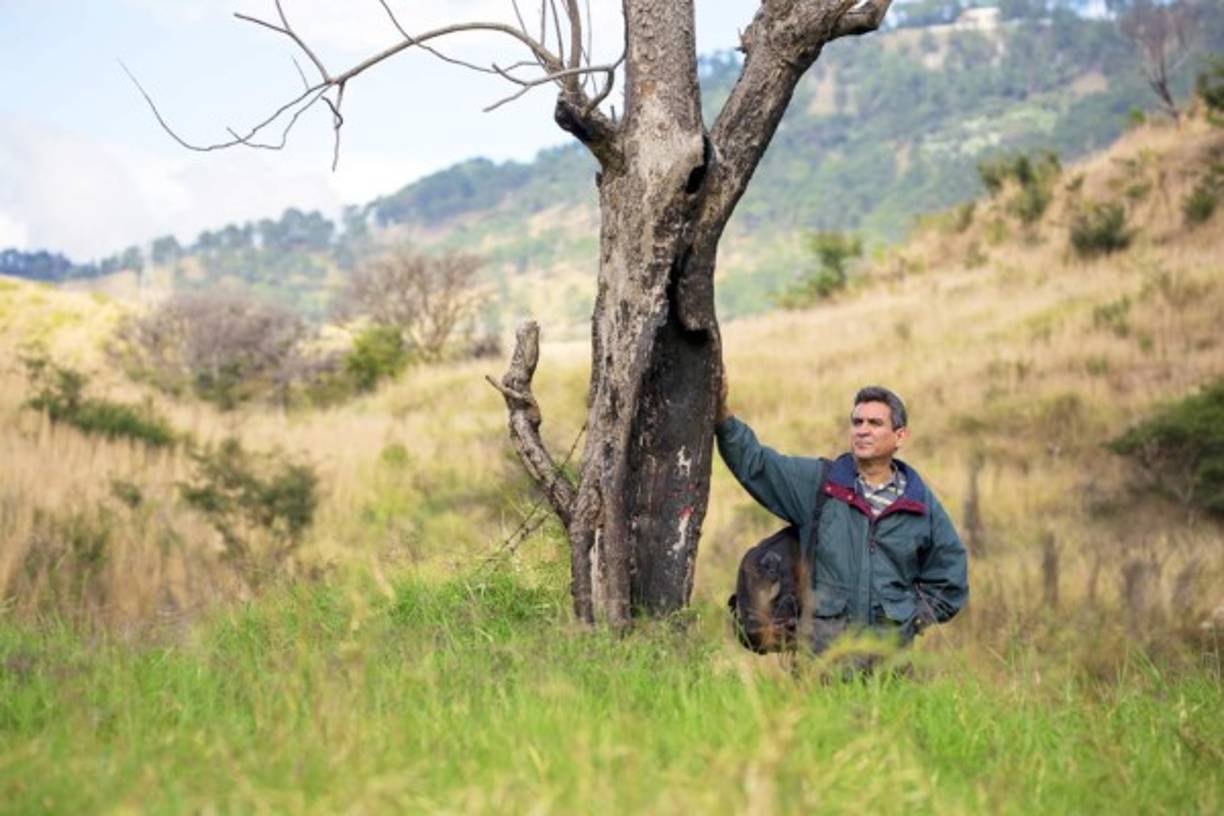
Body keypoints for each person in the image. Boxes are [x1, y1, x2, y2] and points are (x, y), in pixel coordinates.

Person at [715, 372, 968, 662]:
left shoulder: (919, 504)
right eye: (857, 422)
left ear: (900, 436)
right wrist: (722, 416)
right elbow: (756, 464)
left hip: (890, 671)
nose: (863, 430)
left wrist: (909, 621)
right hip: (821, 665)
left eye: (875, 423)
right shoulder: (820, 486)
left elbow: (950, 578)